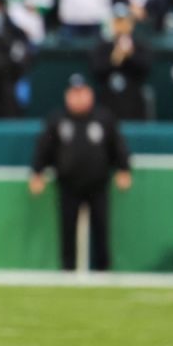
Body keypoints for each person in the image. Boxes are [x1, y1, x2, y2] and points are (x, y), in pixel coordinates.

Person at [29, 75, 133, 271]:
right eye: (74, 94)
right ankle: (68, 271)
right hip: (68, 186)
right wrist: (37, 173)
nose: (78, 98)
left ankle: (103, 270)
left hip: (98, 185)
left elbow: (118, 146)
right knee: (67, 230)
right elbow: (44, 148)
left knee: (101, 229)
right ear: (67, 96)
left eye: (82, 93)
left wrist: (123, 169)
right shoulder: (57, 120)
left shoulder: (103, 118)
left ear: (90, 94)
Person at [90, 8, 151, 121]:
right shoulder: (103, 47)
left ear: (131, 23)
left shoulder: (139, 46)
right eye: (118, 21)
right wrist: (114, 58)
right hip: (108, 106)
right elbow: (97, 71)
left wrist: (130, 55)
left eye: (124, 21)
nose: (121, 26)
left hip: (134, 106)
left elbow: (145, 68)